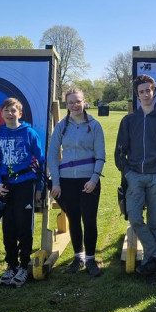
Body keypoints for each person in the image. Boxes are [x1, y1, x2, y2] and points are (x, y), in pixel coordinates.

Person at [114, 74, 156, 284]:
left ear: (154, 92)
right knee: (135, 219)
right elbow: (119, 153)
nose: (146, 94)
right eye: (142, 91)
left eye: (149, 90)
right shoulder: (129, 120)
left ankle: (150, 267)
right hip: (135, 177)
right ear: (137, 95)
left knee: (154, 222)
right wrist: (128, 173)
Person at [48, 87, 106, 277]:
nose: (74, 105)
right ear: (66, 104)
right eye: (71, 102)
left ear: (84, 102)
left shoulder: (95, 125)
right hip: (66, 181)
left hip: (88, 180)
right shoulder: (61, 126)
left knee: (89, 220)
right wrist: (55, 182)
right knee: (74, 219)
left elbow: (100, 155)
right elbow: (52, 155)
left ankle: (90, 259)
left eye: (78, 101)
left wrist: (94, 179)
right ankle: (78, 256)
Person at [0, 98, 44, 288]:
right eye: (6, 110)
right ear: (1, 113)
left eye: (13, 110)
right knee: (9, 227)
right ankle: (11, 265)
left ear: (20, 113)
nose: (9, 113)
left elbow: (40, 162)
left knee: (24, 226)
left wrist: (39, 187)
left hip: (25, 184)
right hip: (6, 186)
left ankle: (23, 265)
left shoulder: (29, 133)